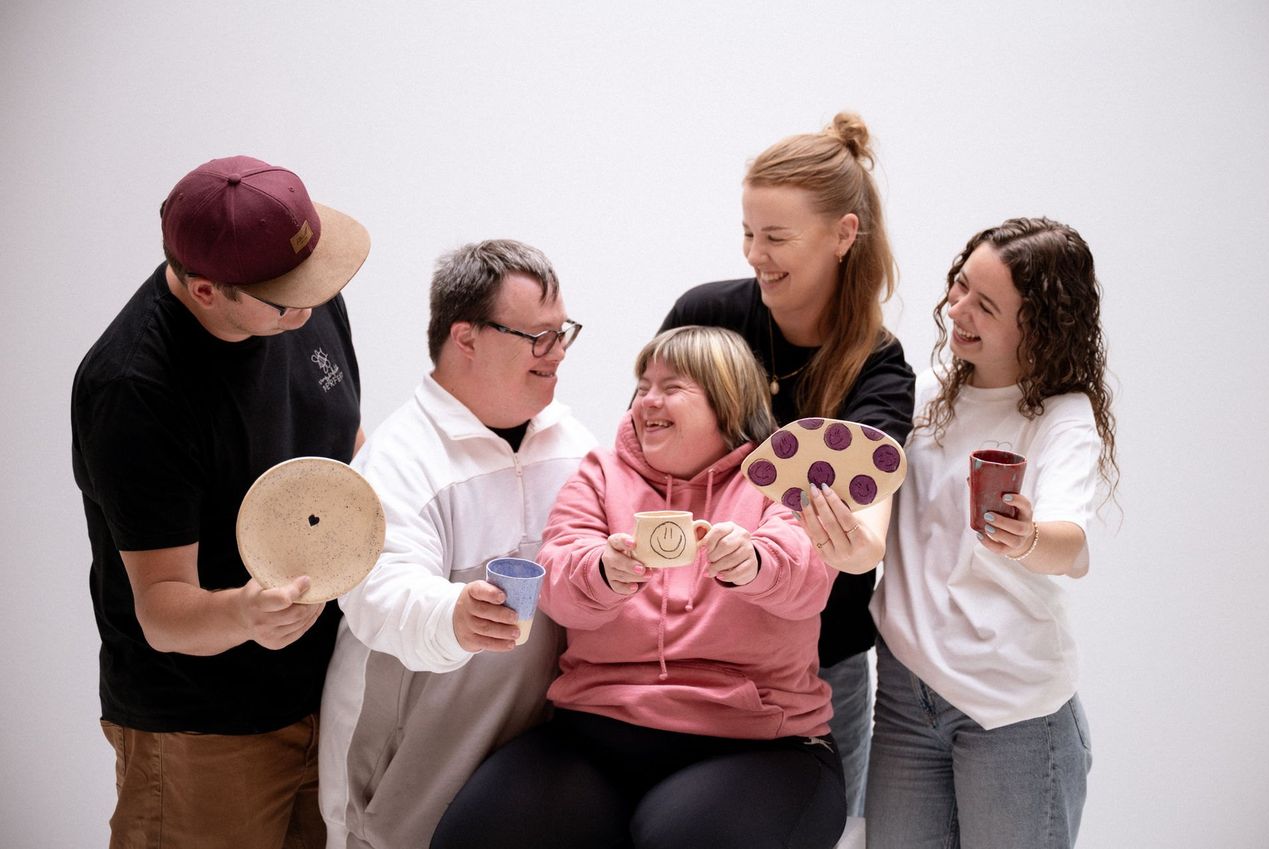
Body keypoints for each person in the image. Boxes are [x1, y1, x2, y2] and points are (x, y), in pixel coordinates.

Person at [431, 325, 848, 849]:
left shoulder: (782, 476)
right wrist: (603, 572)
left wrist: (752, 563)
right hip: (597, 729)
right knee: (473, 837)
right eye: (643, 385)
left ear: (727, 399)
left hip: (755, 740)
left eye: (671, 387)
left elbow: (808, 578)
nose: (647, 400)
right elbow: (557, 576)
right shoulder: (600, 474)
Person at [71, 156, 371, 848]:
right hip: (202, 730)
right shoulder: (135, 389)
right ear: (206, 290)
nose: (311, 304)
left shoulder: (302, 294)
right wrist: (246, 609)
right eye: (286, 299)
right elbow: (163, 609)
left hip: (321, 695)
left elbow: (347, 441)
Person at [659, 111, 915, 815]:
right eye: (747, 232)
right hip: (691, 653)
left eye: (776, 237)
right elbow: (641, 465)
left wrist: (860, 546)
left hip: (817, 668)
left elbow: (869, 522)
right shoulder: (705, 316)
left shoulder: (879, 370)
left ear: (843, 235)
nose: (755, 254)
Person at [318, 239, 596, 849]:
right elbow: (379, 592)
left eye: (562, 333)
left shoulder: (575, 444)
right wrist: (453, 615)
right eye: (536, 337)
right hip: (408, 778)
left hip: (529, 770)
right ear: (466, 337)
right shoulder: (398, 459)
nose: (556, 354)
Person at [866, 218, 1119, 848]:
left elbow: (1069, 541)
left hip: (1013, 711)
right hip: (903, 701)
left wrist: (1029, 537)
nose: (958, 311)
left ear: (1037, 326)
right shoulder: (920, 395)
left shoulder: (1060, 414)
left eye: (985, 305)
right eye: (958, 288)